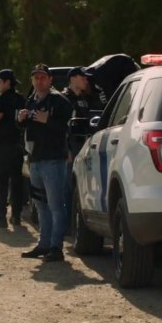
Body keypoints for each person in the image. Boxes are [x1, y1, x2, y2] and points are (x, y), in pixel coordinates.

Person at [17, 64, 74, 262]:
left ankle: (56, 247)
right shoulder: (31, 100)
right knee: (40, 204)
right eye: (36, 78)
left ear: (50, 80)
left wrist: (48, 120)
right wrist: (21, 119)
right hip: (35, 160)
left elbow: (66, 126)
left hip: (53, 160)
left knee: (56, 205)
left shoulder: (59, 101)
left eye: (43, 77)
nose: (39, 81)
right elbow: (25, 128)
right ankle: (44, 244)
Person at [0, 69, 27, 228]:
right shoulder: (21, 99)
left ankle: (0, 216)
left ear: (7, 82)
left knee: (0, 181)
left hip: (2, 146)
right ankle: (16, 216)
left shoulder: (3, 100)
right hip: (17, 146)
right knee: (16, 181)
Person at [63, 66, 105, 213]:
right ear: (73, 79)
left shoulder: (85, 98)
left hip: (83, 145)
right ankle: (66, 221)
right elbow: (62, 127)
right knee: (68, 185)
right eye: (82, 77)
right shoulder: (64, 99)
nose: (86, 80)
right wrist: (66, 150)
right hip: (70, 147)